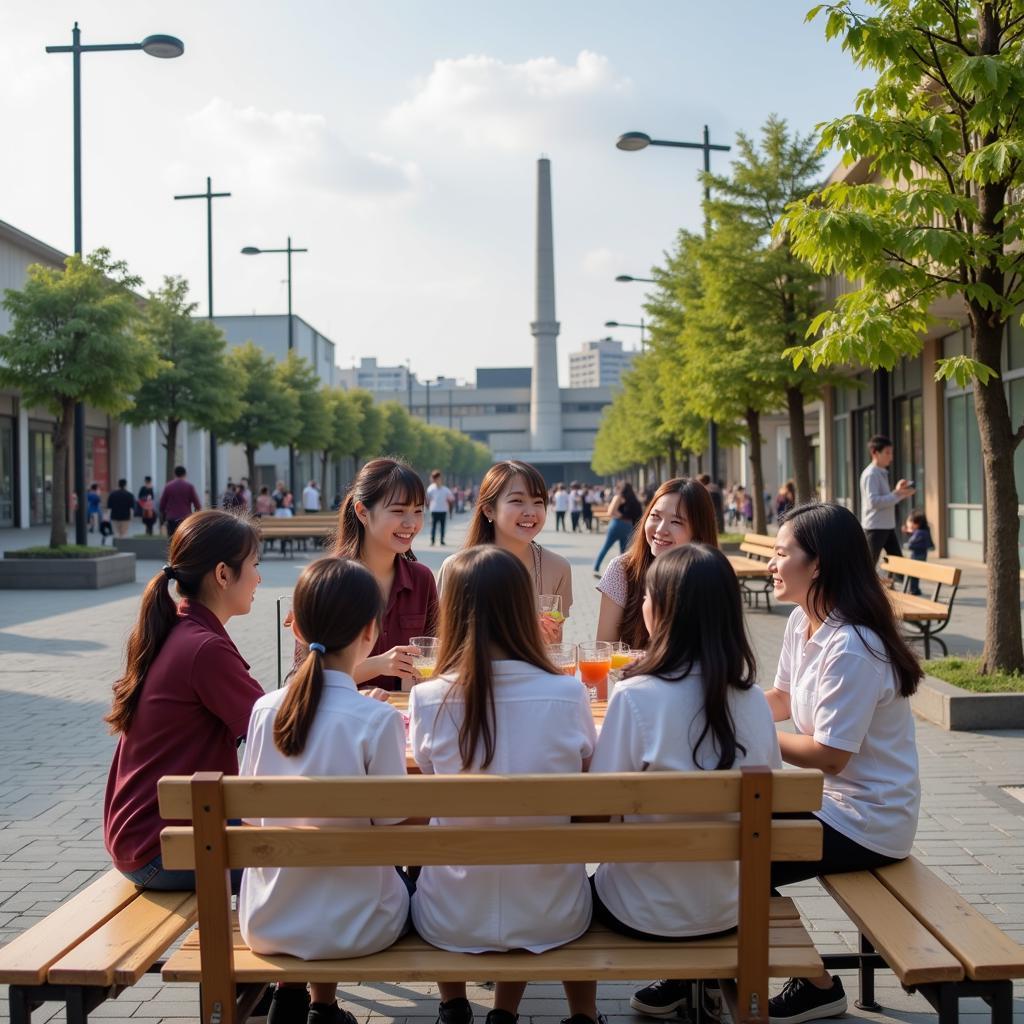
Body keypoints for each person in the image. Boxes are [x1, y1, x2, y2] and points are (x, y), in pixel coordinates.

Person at [409, 546, 600, 1024]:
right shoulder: (569, 693)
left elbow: (431, 792)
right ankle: (545, 1013)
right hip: (554, 912)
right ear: (523, 608)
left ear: (450, 610)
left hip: (450, 914)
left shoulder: (428, 697)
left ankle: (454, 1005)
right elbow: (587, 794)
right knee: (542, 849)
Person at [593, 545, 780, 1020]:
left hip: (640, 912)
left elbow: (598, 809)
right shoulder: (753, 700)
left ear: (661, 611)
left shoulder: (634, 698)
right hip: (730, 909)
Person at [763, 502, 922, 1024]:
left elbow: (830, 755)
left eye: (782, 553)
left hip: (868, 821)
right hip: (830, 805)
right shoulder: (802, 621)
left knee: (734, 856)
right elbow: (782, 700)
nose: (772, 562)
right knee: (725, 839)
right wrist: (721, 708)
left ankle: (817, 985)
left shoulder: (853, 646)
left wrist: (747, 732)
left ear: (819, 565)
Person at [239, 557, 411, 1024]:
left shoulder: (263, 710)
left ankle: (300, 998)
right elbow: (392, 824)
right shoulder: (376, 720)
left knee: (312, 870)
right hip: (359, 928)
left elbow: (254, 820)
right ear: (371, 632)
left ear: (297, 630)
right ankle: (319, 1005)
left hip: (267, 922)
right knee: (364, 876)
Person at [102, 510, 264, 890]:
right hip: (163, 850)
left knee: (306, 841)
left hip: (145, 837)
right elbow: (277, 729)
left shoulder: (181, 627)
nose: (259, 578)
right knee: (312, 851)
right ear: (223, 574)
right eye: (255, 565)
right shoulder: (203, 648)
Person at [325, 457, 438, 691]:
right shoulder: (327, 581)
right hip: (344, 720)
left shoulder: (422, 579)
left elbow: (435, 659)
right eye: (398, 511)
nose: (411, 523)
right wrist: (378, 665)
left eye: (418, 511)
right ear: (362, 512)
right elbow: (305, 676)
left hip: (404, 719)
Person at [441, 460, 572, 643]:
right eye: (517, 501)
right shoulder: (457, 568)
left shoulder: (557, 568)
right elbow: (445, 644)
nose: (530, 511)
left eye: (538, 502)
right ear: (488, 510)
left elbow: (556, 647)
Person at [596, 478, 718, 647]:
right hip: (630, 673)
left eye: (676, 522)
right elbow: (604, 650)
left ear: (699, 531)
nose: (660, 530)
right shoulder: (623, 569)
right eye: (655, 516)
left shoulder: (711, 576)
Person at [860, 434, 916, 565]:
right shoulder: (871, 474)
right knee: (868, 566)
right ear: (875, 453)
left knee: (898, 565)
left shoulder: (880, 472)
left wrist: (899, 493)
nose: (891, 457)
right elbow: (873, 502)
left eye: (891, 453)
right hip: (875, 527)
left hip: (886, 525)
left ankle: (907, 585)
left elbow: (884, 498)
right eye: (887, 453)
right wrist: (898, 494)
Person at [592, 481, 643, 576]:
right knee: (625, 551)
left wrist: (622, 516)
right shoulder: (634, 499)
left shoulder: (618, 497)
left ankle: (596, 567)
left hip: (617, 524)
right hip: (628, 526)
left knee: (606, 546)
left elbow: (610, 512)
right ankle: (624, 572)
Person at [159, 465, 202, 538]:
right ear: (185, 474)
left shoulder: (168, 486)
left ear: (175, 474)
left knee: (172, 539)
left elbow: (162, 504)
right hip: (185, 518)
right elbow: (197, 504)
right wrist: (197, 515)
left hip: (171, 518)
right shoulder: (189, 487)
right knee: (183, 539)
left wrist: (164, 515)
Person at [903, 510, 935, 596]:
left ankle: (914, 589)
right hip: (921, 555)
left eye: (913, 523)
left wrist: (908, 546)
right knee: (915, 574)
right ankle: (915, 589)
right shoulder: (923, 531)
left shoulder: (920, 533)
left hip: (917, 556)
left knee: (914, 574)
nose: (911, 525)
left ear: (918, 523)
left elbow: (912, 544)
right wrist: (907, 532)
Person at [427, 469, 454, 546]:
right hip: (434, 510)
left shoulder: (445, 490)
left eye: (438, 478)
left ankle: (442, 540)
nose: (437, 480)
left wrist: (450, 511)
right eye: (435, 478)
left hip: (443, 510)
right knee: (433, 526)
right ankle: (432, 540)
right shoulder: (430, 489)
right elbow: (427, 499)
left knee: (442, 526)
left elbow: (451, 499)